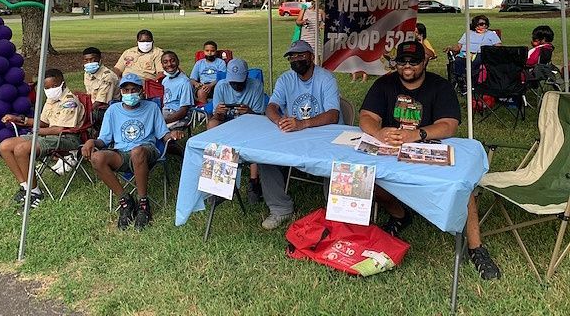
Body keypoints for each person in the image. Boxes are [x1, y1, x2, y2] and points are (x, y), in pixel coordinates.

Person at [359, 40, 501, 280]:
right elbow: (366, 117)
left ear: (424, 61)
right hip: (391, 149)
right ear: (395, 62)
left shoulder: (440, 86)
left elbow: (450, 125)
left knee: (462, 186)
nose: (407, 66)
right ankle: (400, 215)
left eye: (414, 61)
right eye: (401, 61)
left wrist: (416, 134)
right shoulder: (383, 84)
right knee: (365, 177)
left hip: (428, 148)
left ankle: (477, 248)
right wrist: (379, 132)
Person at [81, 73, 183, 230]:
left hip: (146, 151)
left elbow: (163, 134)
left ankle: (143, 204)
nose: (129, 94)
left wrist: (173, 134)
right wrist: (90, 141)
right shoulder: (113, 110)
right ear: (121, 92)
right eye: (125, 90)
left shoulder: (152, 107)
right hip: (121, 153)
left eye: (133, 90)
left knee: (137, 152)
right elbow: (103, 140)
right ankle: (125, 201)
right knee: (96, 158)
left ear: (141, 91)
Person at [260, 40, 340, 229]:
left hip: (324, 135)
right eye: (292, 57)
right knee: (264, 157)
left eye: (301, 55)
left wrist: (303, 124)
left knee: (336, 162)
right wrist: (279, 120)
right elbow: (271, 107)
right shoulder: (285, 79)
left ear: (311, 57)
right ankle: (280, 208)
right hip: (294, 135)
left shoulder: (326, 78)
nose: (296, 59)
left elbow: (333, 115)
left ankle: (336, 214)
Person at [0, 69, 85, 209]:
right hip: (47, 135)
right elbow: (44, 122)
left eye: (53, 86)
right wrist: (21, 119)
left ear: (62, 83)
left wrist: (37, 132)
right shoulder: (51, 100)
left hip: (67, 138)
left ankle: (35, 193)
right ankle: (25, 186)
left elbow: (60, 129)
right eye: (46, 88)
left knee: (22, 149)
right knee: (5, 146)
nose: (50, 90)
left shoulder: (69, 101)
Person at [208, 58, 267, 203]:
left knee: (257, 133)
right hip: (227, 123)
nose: (236, 85)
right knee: (212, 125)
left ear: (247, 76)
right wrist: (219, 112)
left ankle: (254, 181)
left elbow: (260, 117)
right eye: (233, 82)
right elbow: (217, 117)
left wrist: (249, 112)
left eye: (239, 82)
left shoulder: (256, 86)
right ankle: (219, 180)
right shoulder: (221, 86)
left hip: (250, 124)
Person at [82, 46, 120, 124]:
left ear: (100, 59)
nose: (89, 63)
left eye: (93, 60)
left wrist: (84, 112)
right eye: (86, 60)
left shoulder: (108, 76)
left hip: (107, 108)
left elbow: (100, 101)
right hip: (94, 106)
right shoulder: (87, 73)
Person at [160, 51, 194, 129]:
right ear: (162, 65)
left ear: (178, 62)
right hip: (165, 112)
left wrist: (163, 121)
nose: (169, 64)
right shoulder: (165, 80)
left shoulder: (184, 82)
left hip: (178, 116)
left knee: (159, 129)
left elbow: (184, 111)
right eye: (165, 62)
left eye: (172, 61)